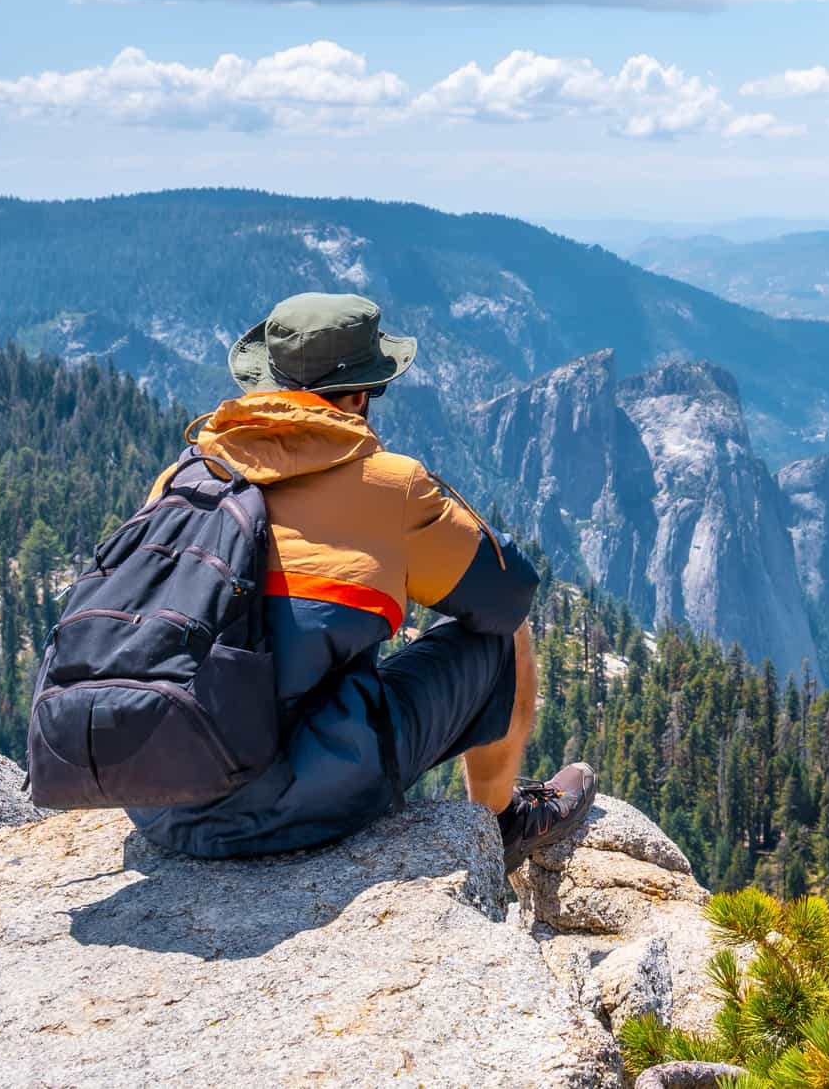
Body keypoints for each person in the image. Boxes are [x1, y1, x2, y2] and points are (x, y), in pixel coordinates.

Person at [126, 291, 595, 865]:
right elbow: (508, 593)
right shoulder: (387, 485)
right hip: (283, 807)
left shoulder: (184, 477)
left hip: (154, 793)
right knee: (504, 637)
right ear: (357, 397)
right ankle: (503, 825)